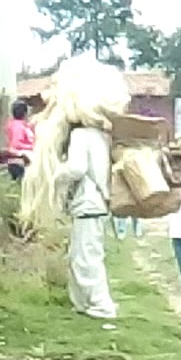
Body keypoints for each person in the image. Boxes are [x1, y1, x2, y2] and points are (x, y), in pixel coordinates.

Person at [17, 55, 131, 320]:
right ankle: (82, 303)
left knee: (86, 258)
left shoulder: (81, 135)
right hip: (94, 204)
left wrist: (54, 173)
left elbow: (76, 169)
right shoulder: (99, 135)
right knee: (82, 255)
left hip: (88, 204)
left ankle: (101, 305)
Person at [5, 100, 35, 180]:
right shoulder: (18, 126)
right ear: (24, 113)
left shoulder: (23, 125)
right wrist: (33, 146)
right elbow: (17, 144)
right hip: (20, 158)